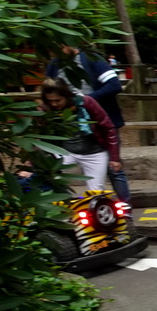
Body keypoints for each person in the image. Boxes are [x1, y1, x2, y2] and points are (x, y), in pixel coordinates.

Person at [45, 43, 130, 202]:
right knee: (53, 169)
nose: (56, 54)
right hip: (70, 126)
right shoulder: (54, 64)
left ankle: (125, 209)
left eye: (59, 48)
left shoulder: (91, 59)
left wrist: (87, 102)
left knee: (114, 168)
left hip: (99, 121)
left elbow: (114, 85)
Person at [39, 80, 122, 192]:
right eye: (50, 101)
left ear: (66, 96)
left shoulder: (86, 102)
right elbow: (42, 137)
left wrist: (115, 158)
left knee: (96, 191)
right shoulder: (47, 110)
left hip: (94, 152)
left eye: (58, 100)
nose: (54, 104)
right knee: (52, 179)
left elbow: (108, 128)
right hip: (65, 152)